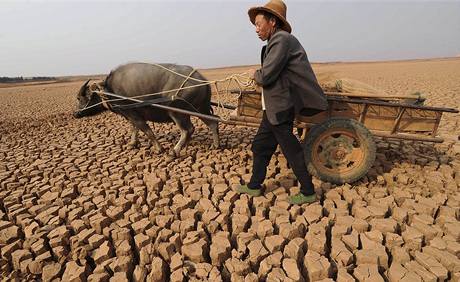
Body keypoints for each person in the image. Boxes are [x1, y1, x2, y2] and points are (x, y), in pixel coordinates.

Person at [236, 0, 328, 204]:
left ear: (273, 22)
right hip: (273, 107)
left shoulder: (282, 40)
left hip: (281, 106)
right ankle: (254, 186)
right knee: (261, 146)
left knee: (291, 150)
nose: (256, 29)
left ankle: (308, 191)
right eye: (255, 26)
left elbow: (266, 75)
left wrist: (255, 74)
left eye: (259, 24)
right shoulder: (275, 41)